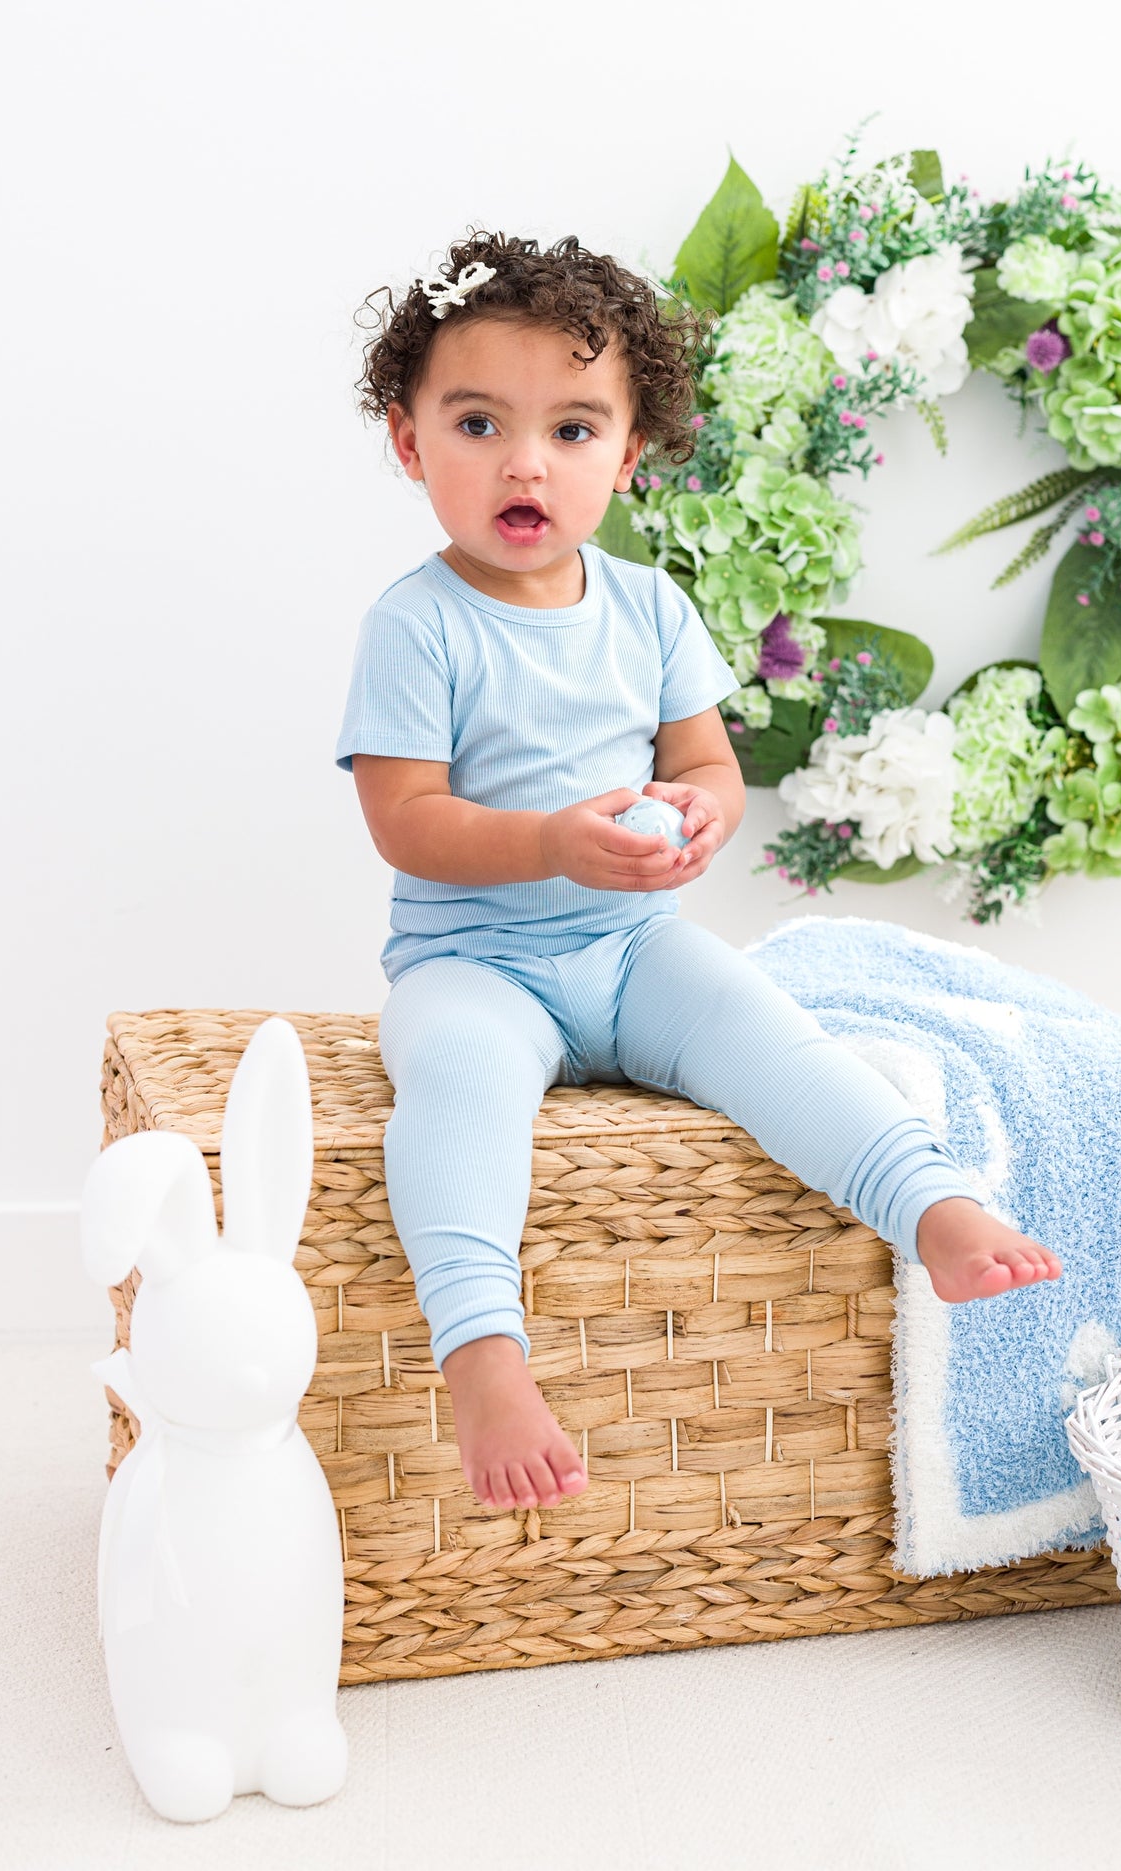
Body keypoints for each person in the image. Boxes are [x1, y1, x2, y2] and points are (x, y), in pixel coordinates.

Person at [336, 232, 1061, 1517]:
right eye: (477, 421)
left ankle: (925, 1197)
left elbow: (710, 768)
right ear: (409, 444)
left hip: (628, 949)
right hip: (473, 963)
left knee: (763, 1030)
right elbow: (406, 819)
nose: (524, 460)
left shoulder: (650, 609)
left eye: (569, 429)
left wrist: (696, 813)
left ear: (625, 455)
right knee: (453, 1079)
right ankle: (481, 1352)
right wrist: (552, 840)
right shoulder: (418, 622)